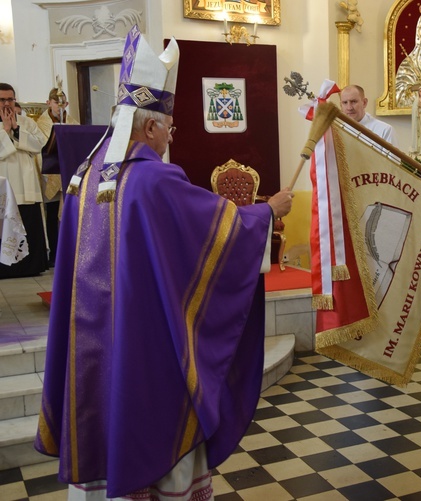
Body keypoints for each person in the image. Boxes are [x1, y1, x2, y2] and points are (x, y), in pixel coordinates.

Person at [34, 27, 294, 498]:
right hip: (146, 343)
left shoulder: (83, 177)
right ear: (149, 125)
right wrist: (267, 212)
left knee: (101, 418)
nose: (171, 135)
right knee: (155, 426)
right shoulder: (153, 180)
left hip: (91, 344)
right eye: (169, 126)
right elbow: (218, 233)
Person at [0, 83, 49, 278]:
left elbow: (39, 145)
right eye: (2, 99)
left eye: (10, 99)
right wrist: (4, 131)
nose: (6, 104)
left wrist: (16, 129)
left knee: (29, 224)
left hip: (26, 184)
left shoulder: (26, 122)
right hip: (4, 184)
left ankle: (31, 266)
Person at [36, 87, 79, 266]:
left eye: (62, 103)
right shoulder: (40, 124)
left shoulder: (73, 122)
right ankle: (54, 254)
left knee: (68, 213)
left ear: (67, 104)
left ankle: (70, 253)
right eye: (56, 103)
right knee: (52, 215)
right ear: (48, 103)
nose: (59, 107)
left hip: (67, 173)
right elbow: (41, 148)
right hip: (49, 174)